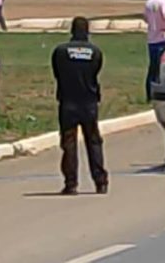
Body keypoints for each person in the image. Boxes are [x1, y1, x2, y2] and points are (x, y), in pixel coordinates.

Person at [52, 17, 107, 195]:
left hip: (68, 103)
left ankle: (71, 184)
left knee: (69, 143)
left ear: (72, 31)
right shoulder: (95, 52)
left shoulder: (61, 51)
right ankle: (100, 182)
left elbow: (57, 74)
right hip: (89, 103)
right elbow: (96, 72)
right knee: (94, 141)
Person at [144, 0, 165, 101]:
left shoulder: (149, 2)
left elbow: (146, 18)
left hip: (151, 38)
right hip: (162, 37)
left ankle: (149, 93)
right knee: (162, 68)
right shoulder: (164, 1)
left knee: (152, 68)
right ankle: (160, 93)